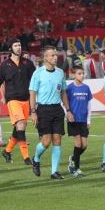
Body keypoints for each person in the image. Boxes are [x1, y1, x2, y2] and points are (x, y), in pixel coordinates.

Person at [0, 39, 35, 165]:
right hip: (13, 99)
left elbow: (36, 80)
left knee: (18, 129)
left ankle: (7, 151)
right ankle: (26, 157)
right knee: (21, 124)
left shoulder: (28, 63)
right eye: (15, 45)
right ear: (11, 48)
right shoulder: (5, 65)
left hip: (25, 100)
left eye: (19, 45)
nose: (18, 47)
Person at [29, 46, 72, 180]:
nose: (55, 57)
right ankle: (36, 159)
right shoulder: (38, 73)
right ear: (45, 57)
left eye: (56, 55)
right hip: (43, 110)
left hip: (57, 109)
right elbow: (32, 93)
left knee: (57, 140)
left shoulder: (60, 72)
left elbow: (63, 92)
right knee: (46, 142)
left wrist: (68, 110)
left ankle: (54, 172)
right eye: (52, 55)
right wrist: (33, 111)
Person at [66, 66, 93, 178]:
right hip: (73, 120)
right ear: (73, 75)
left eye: (83, 73)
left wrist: (88, 120)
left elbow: (89, 105)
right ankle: (76, 169)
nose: (82, 75)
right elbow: (64, 103)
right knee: (78, 144)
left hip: (83, 120)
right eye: (79, 73)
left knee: (84, 145)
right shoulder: (69, 88)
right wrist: (68, 114)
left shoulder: (86, 88)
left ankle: (73, 158)